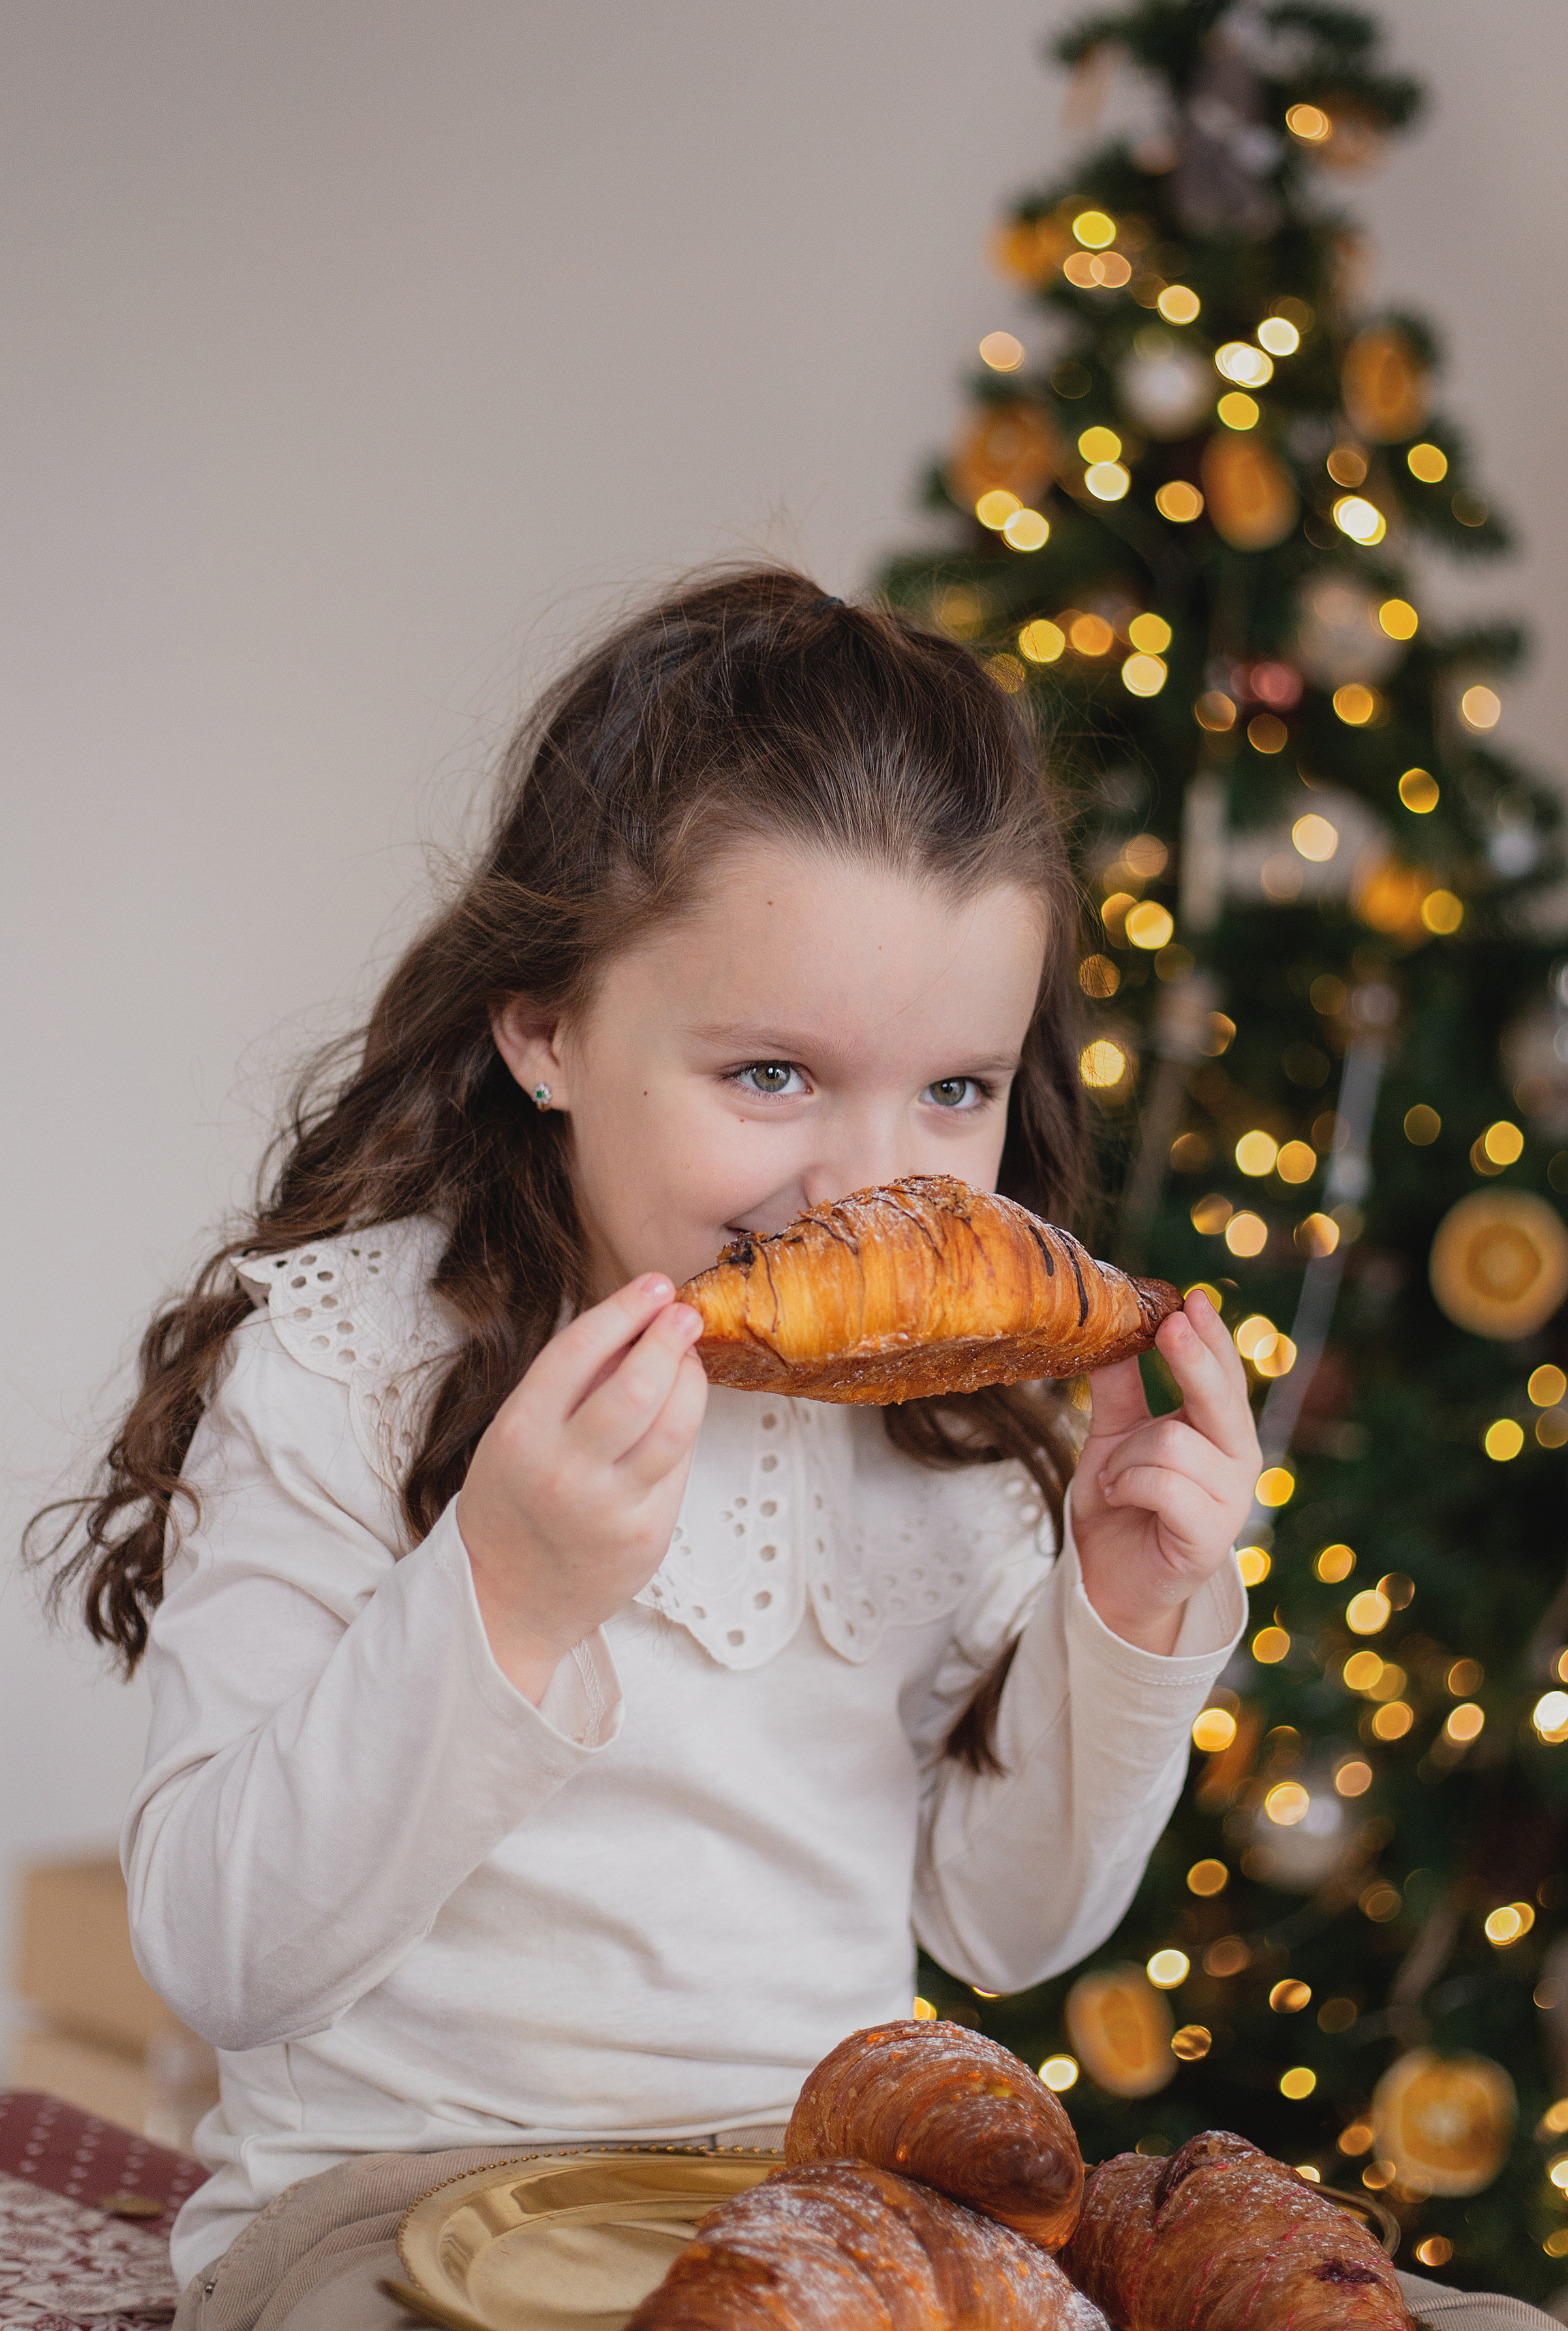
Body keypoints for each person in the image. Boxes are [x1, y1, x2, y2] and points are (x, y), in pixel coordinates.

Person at [48, 567, 1257, 2329]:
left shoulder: (951, 1428)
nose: (872, 1186)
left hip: (823, 2201)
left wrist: (1128, 1619)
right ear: (546, 1031)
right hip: (382, 2198)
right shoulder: (345, 1364)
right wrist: (506, 1599)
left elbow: (1007, 1929)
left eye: (956, 1090)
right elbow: (226, 1959)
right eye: (771, 1075)